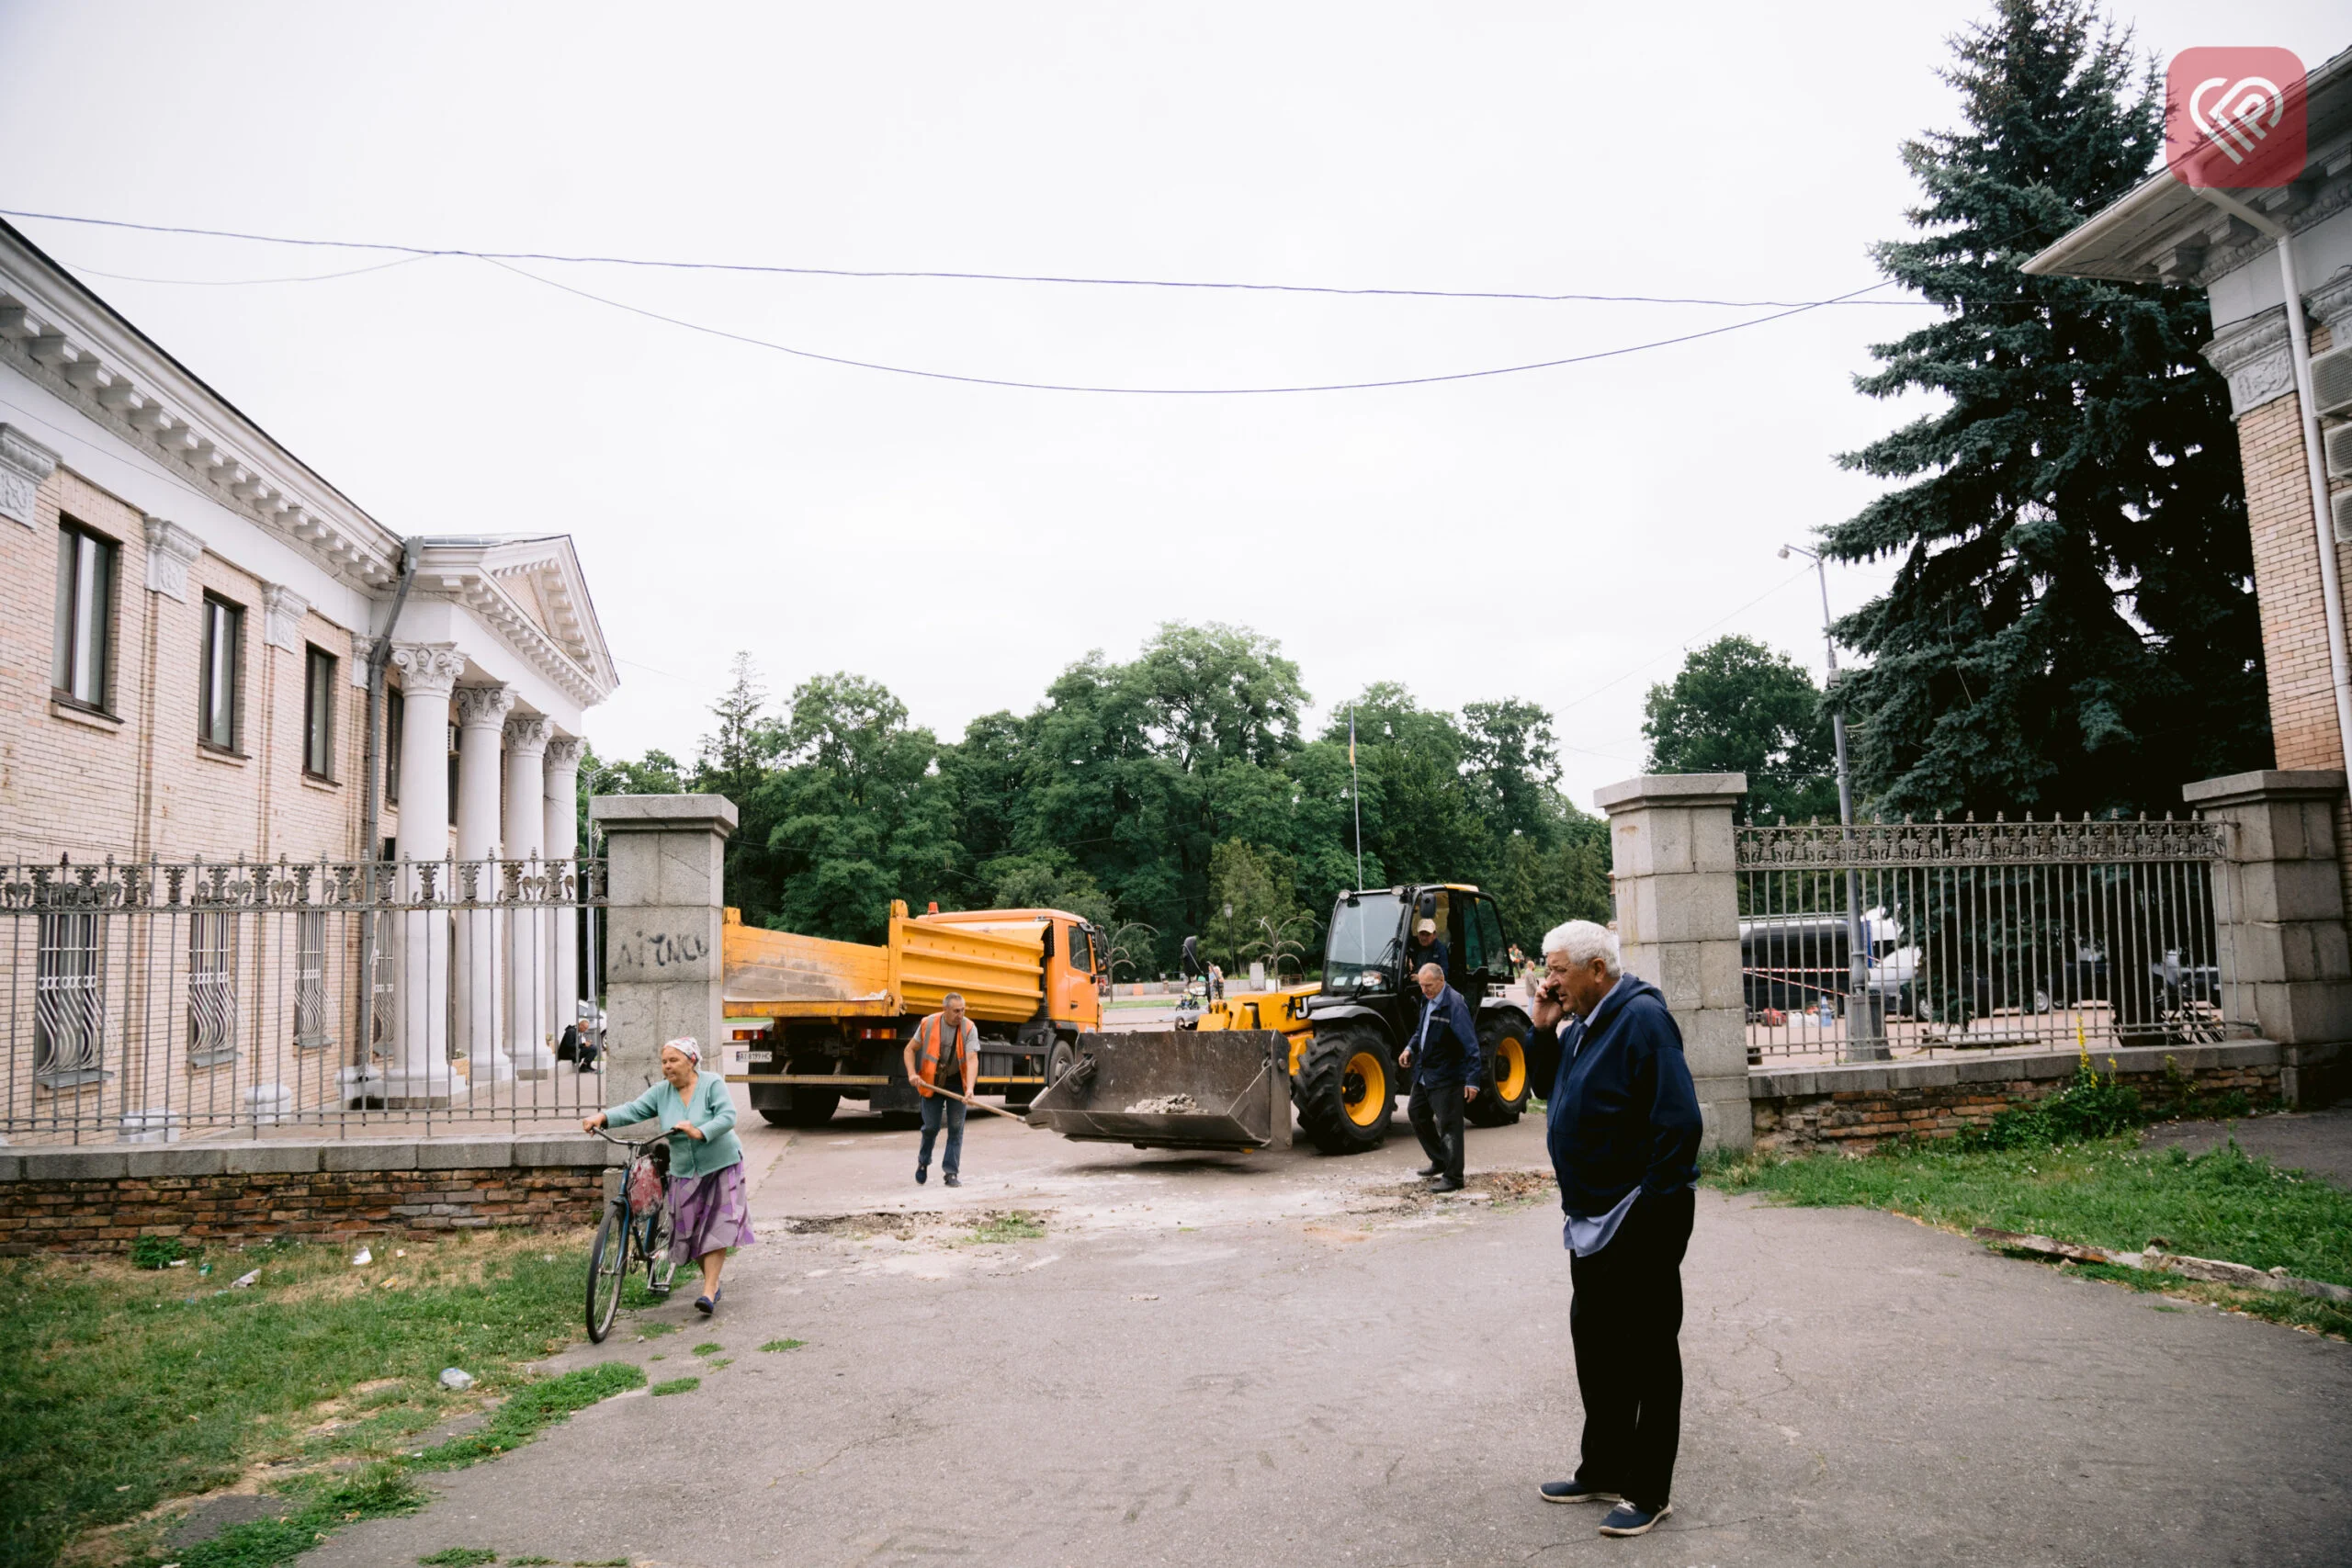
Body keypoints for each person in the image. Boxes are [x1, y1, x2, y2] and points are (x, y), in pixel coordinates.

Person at [1530, 919, 1702, 1538]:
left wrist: (1651, 1211)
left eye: (1556, 970)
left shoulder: (1642, 1021)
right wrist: (1543, 1029)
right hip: (1592, 1219)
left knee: (1649, 1351)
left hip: (1635, 1217)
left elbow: (1679, 1125)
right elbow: (1545, 1090)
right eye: (1547, 969)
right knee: (1597, 1343)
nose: (1548, 981)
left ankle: (1648, 1489)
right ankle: (1602, 1465)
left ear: (1596, 970)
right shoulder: (1583, 1027)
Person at [582, 1037, 753, 1315]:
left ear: (691, 1061)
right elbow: (633, 1109)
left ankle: (709, 1291)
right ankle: (712, 1283)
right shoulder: (662, 1093)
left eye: (673, 1060)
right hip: (684, 1170)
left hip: (721, 1164)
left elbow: (728, 1116)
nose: (667, 1067)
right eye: (664, 1062)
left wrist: (700, 1131)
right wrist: (602, 1117)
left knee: (717, 1227)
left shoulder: (711, 1084)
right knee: (689, 1230)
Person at [1396, 961, 1480, 1191]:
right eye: (1422, 985)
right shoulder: (1428, 999)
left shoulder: (1454, 1005)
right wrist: (1410, 1048)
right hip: (1425, 1072)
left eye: (1429, 985)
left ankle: (1454, 1178)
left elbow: (1471, 1045)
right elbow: (1420, 1030)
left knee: (1450, 1127)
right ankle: (1440, 1160)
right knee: (1416, 1113)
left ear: (1441, 981)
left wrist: (1472, 1080)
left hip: (1448, 1075)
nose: (1424, 990)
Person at [903, 991, 978, 1188]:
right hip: (931, 1082)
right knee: (931, 1127)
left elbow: (972, 1059)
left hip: (956, 1082)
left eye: (962, 1010)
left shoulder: (969, 1027)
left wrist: (969, 1089)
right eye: (955, 1011)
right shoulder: (929, 1024)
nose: (960, 1015)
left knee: (956, 1128)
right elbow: (909, 1049)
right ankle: (923, 1162)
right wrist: (912, 1074)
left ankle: (951, 1172)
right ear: (945, 1009)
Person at [1408, 916, 1451, 981]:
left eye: (1427, 934)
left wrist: (1421, 978)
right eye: (1422, 934)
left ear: (1434, 935)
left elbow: (1443, 975)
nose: (1424, 938)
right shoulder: (1413, 944)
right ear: (1417, 934)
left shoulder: (1440, 950)